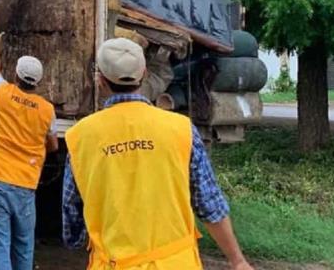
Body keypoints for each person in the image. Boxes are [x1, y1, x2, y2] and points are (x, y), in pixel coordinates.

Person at [62, 38, 254, 270]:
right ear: (144, 74)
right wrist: (238, 260)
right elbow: (209, 204)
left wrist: (77, 239)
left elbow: (72, 213)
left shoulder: (79, 137)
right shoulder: (181, 129)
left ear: (100, 80)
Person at [0, 23, 58, 270]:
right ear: (38, 82)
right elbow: (53, 145)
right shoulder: (47, 110)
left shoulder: (1, 93)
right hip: (25, 184)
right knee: (24, 244)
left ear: (17, 76)